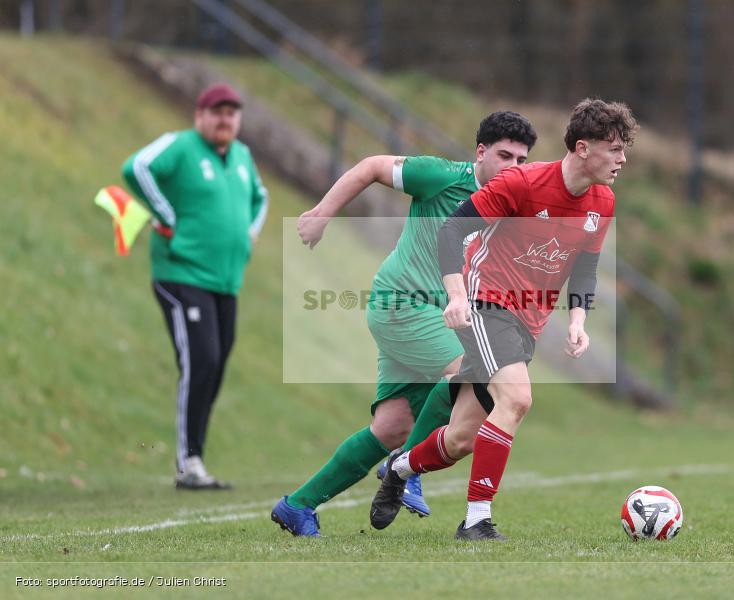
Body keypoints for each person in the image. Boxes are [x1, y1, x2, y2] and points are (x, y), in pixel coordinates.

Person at [370, 98, 638, 540]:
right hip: (486, 303)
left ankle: (399, 467)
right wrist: (455, 296)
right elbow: (452, 230)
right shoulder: (523, 182)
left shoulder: (602, 203)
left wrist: (577, 321)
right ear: (583, 148)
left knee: (460, 439)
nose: (622, 159)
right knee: (517, 399)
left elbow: (586, 267)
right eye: (614, 148)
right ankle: (476, 520)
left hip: (527, 323)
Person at [271, 111, 537, 537]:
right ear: (481, 152)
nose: (513, 167)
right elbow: (372, 166)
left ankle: (298, 505)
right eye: (504, 155)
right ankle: (406, 472)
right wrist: (323, 212)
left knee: (392, 426)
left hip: (439, 317)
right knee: (469, 373)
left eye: (521, 160)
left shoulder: (514, 201)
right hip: (403, 305)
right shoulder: (442, 176)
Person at [122, 83, 269, 489]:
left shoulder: (242, 156)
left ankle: (195, 458)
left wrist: (250, 231)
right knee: (201, 359)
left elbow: (262, 197)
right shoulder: (180, 146)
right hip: (180, 273)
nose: (225, 119)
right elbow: (135, 168)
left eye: (232, 113)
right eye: (217, 112)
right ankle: (188, 464)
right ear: (199, 115)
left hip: (226, 280)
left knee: (216, 364)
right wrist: (166, 214)